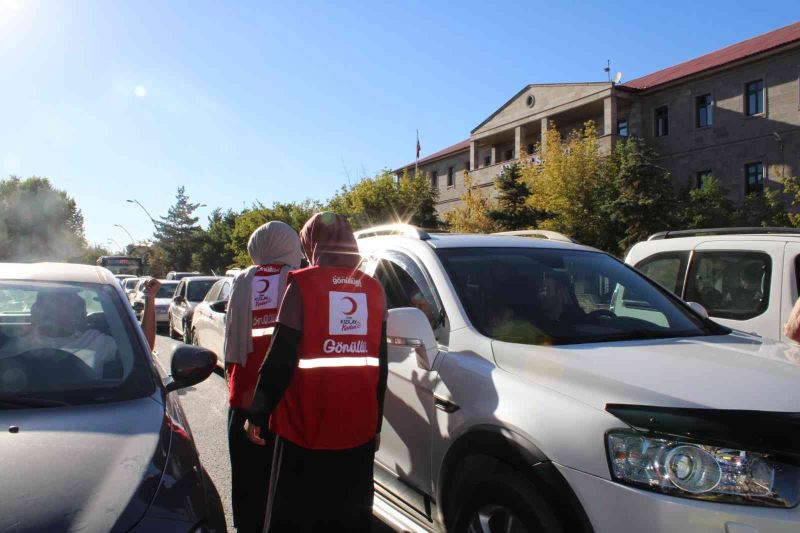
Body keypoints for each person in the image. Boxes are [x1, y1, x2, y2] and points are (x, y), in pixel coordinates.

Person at [245, 211, 388, 532]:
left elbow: (280, 357)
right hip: (358, 430)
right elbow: (382, 364)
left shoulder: (303, 285)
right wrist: (376, 423)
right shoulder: (374, 289)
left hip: (305, 429)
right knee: (349, 517)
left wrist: (257, 414)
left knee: (298, 517)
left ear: (312, 244)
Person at [224, 221, 303, 533]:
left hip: (242, 398)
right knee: (283, 491)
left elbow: (231, 345)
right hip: (282, 402)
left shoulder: (241, 282)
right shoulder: (297, 283)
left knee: (247, 487)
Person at [0, 290, 117, 375]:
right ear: (36, 314)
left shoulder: (99, 341)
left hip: (89, 404)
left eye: (72, 309)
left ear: (83, 315)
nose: (62, 314)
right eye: (52, 309)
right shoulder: (17, 346)